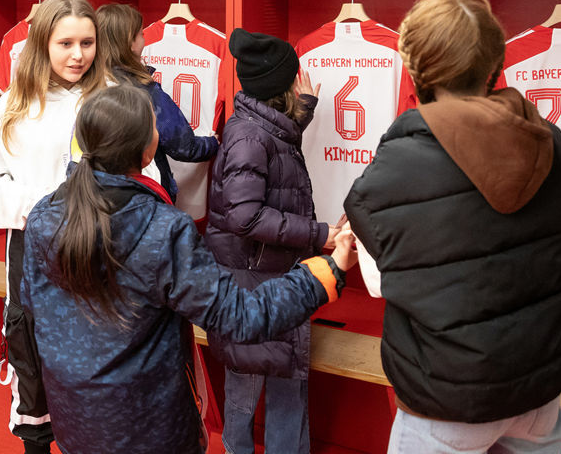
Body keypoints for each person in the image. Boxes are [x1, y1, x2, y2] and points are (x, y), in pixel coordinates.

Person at [343, 0, 561, 453]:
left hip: (445, 397)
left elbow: (382, 281)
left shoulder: (390, 169)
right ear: (493, 64)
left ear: (416, 68)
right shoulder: (554, 142)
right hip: (537, 389)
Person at [22, 85, 355, 454]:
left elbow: (34, 305)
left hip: (76, 418)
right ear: (148, 151)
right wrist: (326, 272)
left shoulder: (44, 215)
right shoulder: (163, 228)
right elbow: (240, 317)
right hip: (151, 427)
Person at [0, 0, 107, 454]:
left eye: (86, 42)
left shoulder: (111, 99)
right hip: (34, 254)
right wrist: (49, 207)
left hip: (100, 253)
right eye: (65, 43)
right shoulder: (12, 107)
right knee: (34, 357)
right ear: (42, 44)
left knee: (95, 361)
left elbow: (141, 175)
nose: (77, 55)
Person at [205, 28, 339, 454]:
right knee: (249, 391)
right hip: (255, 287)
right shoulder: (249, 137)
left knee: (284, 382)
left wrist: (304, 111)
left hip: (268, 280)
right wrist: (321, 235)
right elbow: (245, 215)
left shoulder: (256, 127)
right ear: (280, 86)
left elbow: (275, 143)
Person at [95, 3, 217, 204]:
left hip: (99, 195)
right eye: (141, 34)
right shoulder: (145, 92)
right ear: (130, 42)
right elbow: (184, 147)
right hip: (145, 194)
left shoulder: (87, 85)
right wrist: (214, 143)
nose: (145, 39)